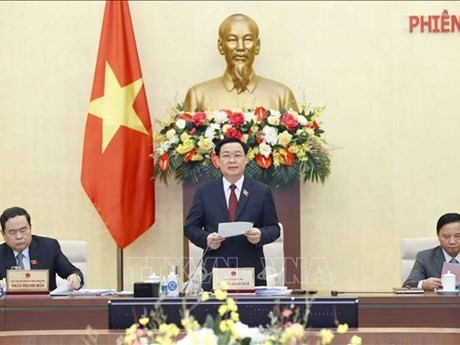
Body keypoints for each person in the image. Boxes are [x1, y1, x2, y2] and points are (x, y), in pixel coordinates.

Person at [184, 137, 280, 291]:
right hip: (215, 271)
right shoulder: (205, 192)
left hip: (251, 271)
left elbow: (274, 228)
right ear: (217, 161)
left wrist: (260, 234)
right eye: (226, 156)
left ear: (246, 159)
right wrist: (207, 238)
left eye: (237, 155)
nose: (232, 160)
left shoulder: (261, 191)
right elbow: (190, 228)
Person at [183, 13, 298, 112]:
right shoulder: (198, 95)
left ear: (257, 46)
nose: (240, 47)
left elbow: (297, 137)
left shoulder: (281, 95)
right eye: (232, 40)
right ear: (221, 46)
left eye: (248, 40)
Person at [0, 207, 84, 291]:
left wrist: (75, 278)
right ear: (3, 234)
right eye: (12, 232)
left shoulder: (49, 247)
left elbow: (73, 272)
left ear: (30, 228)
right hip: (9, 304)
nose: (19, 236)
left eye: (23, 230)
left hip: (45, 303)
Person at [403, 213, 460, 290]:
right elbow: (408, 285)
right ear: (438, 236)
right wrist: (423, 284)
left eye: (457, 236)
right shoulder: (425, 257)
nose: (452, 241)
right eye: (446, 236)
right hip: (437, 302)